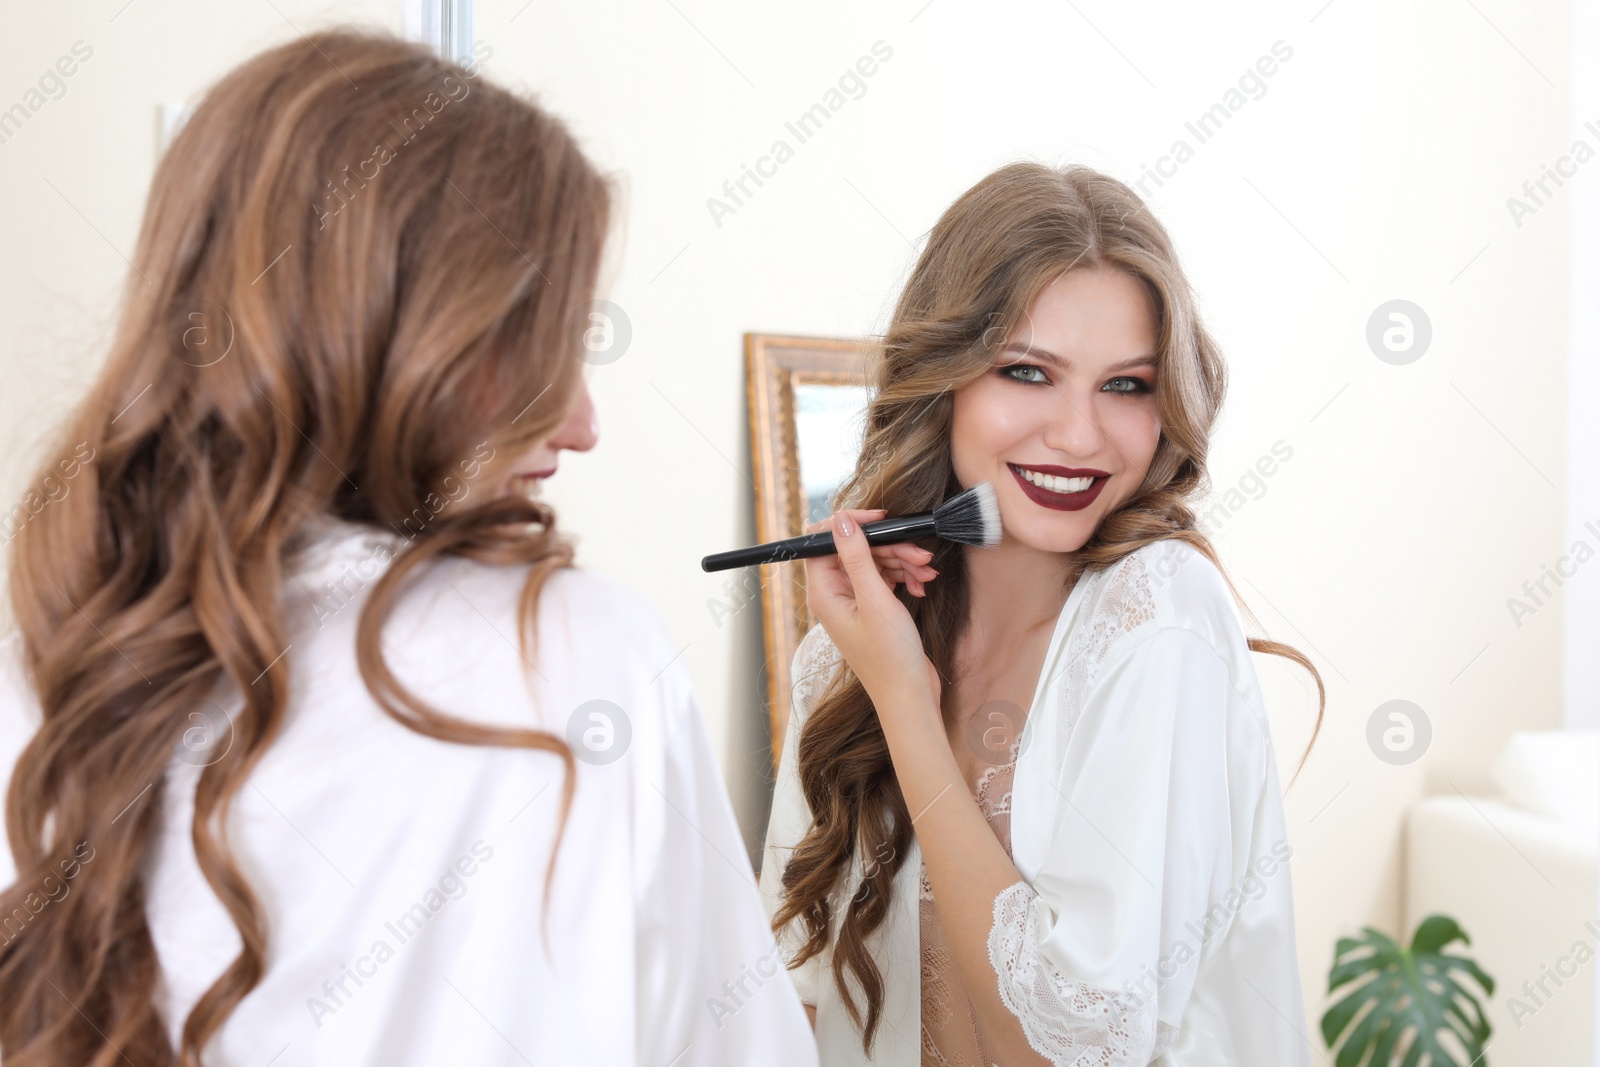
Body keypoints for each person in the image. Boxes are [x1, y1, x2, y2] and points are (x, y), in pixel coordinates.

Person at [0, 30, 817, 1067]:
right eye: (540, 342)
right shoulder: (577, 655)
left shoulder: (55, 666)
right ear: (401, 333)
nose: (581, 421)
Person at [759, 162, 1324, 1066]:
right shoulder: (847, 658)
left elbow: (1071, 1047)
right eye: (1027, 372)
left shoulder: (1158, 619)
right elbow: (789, 996)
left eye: (1127, 385)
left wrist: (909, 702)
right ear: (943, 383)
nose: (1077, 434)